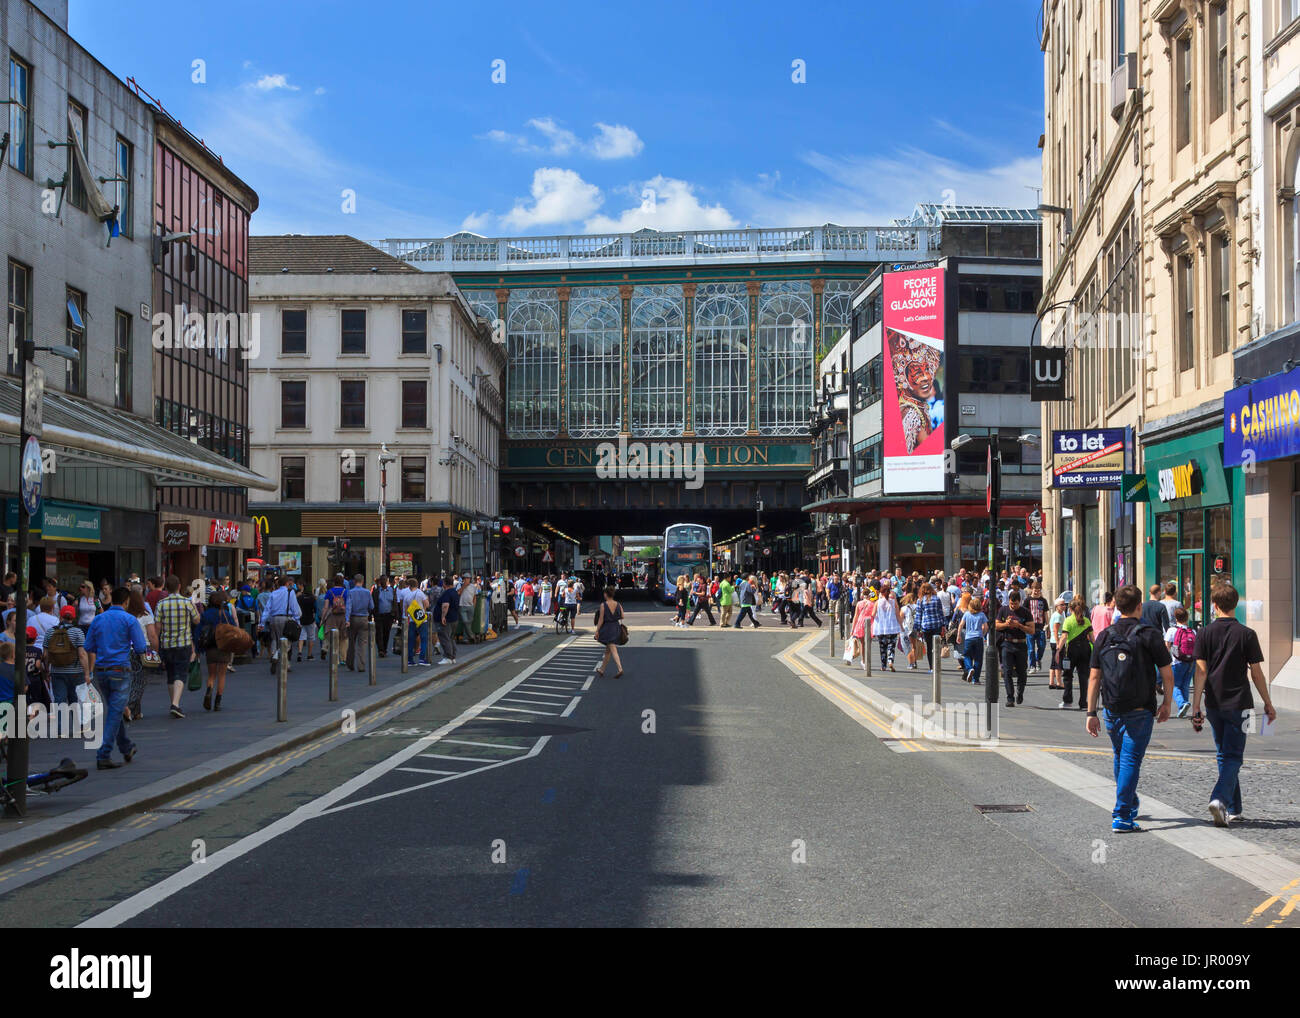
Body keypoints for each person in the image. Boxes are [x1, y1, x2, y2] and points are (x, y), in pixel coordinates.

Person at [1084, 584, 1175, 833]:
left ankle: (1130, 801)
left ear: (1116, 606)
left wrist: (1091, 713)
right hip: (1140, 708)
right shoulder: (1149, 634)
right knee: (1130, 760)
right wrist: (1167, 703)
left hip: (1111, 707)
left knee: (1120, 756)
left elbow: (1094, 678)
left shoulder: (1105, 635)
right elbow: (1167, 674)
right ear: (1139, 607)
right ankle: (1122, 815)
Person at [1191, 584, 1277, 827]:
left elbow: (1201, 673)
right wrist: (1268, 704)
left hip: (1215, 704)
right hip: (1243, 705)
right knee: (1234, 756)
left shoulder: (1205, 633)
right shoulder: (1247, 634)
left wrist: (1196, 706)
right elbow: (1257, 674)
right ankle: (1219, 799)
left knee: (1224, 754)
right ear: (1235, 604)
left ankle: (1234, 807)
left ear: (1215, 606)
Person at [84, 586, 147, 769]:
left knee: (115, 710)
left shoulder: (98, 619)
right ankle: (103, 754)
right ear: (126, 602)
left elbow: (89, 646)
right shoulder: (129, 619)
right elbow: (141, 647)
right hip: (120, 669)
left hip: (102, 671)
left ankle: (126, 747)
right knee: (114, 712)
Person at [200, 590, 237, 711]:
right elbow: (233, 628)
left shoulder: (206, 614)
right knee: (222, 675)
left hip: (210, 646)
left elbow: (199, 630)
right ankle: (217, 702)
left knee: (211, 674)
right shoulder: (226, 613)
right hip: (224, 646)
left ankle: (209, 690)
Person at [995, 589, 1034, 707]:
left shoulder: (1025, 612)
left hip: (1021, 644)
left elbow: (1031, 630)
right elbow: (996, 625)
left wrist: (1019, 625)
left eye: (1015, 604)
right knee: (1007, 672)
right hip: (1007, 643)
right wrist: (1006, 624)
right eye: (1011, 603)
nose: (1013, 606)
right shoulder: (1003, 610)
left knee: (1022, 672)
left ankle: (1020, 692)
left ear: (1020, 602)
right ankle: (1010, 697)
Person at [125, 589, 158, 723]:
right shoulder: (145, 616)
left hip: (126, 650)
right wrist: (155, 650)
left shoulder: (125, 616)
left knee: (131, 679)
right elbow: (152, 635)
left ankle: (136, 711)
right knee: (140, 681)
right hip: (141, 649)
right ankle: (128, 707)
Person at [260, 574, 302, 674]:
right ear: (287, 583)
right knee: (286, 643)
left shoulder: (273, 593)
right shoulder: (290, 592)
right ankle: (276, 656)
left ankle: (284, 663)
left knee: (275, 639)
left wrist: (262, 622)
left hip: (273, 619)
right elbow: (294, 607)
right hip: (285, 619)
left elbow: (267, 609)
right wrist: (298, 619)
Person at [1058, 596, 1093, 710]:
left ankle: (1067, 700)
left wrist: (1058, 650)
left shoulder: (1068, 620)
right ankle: (1083, 702)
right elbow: (1092, 638)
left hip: (1071, 650)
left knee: (1068, 676)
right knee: (1083, 677)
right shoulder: (1087, 621)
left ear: (1070, 609)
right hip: (1085, 650)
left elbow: (1064, 637)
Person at [1164, 605, 1197, 718]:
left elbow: (1167, 646)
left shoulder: (1172, 630)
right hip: (1191, 663)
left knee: (1174, 685)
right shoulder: (1192, 631)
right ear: (1187, 618)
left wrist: (1165, 661)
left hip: (1176, 662)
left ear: (1175, 618)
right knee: (1185, 685)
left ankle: (1183, 703)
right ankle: (1183, 707)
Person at [593, 586, 625, 679]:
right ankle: (602, 669)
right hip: (615, 627)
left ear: (606, 594)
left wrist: (597, 630)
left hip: (607, 628)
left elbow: (601, 619)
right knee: (608, 651)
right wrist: (615, 617)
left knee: (613, 649)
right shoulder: (618, 604)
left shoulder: (603, 605)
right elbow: (622, 616)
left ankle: (620, 668)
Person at [343, 573, 373, 672]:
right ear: (362, 581)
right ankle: (361, 665)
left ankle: (350, 663)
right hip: (364, 618)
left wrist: (347, 620)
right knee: (362, 643)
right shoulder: (367, 592)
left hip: (353, 618)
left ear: (354, 582)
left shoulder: (350, 592)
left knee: (351, 642)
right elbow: (371, 606)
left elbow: (348, 607)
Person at [957, 595, 989, 684]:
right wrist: (983, 634)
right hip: (978, 638)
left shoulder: (967, 614)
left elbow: (961, 625)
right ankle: (976, 679)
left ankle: (970, 668)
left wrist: (958, 635)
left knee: (967, 656)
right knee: (978, 659)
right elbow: (986, 626)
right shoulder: (982, 615)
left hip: (969, 638)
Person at [872, 581, 902, 672]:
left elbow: (873, 614)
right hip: (892, 627)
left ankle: (883, 666)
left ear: (881, 593)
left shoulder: (878, 602)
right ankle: (890, 660)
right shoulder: (893, 602)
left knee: (882, 647)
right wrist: (901, 626)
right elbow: (898, 615)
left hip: (881, 627)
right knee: (891, 646)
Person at [404, 578, 431, 666]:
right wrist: (424, 608)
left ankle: (410, 660)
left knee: (411, 640)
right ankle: (422, 659)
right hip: (421, 619)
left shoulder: (407, 596)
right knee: (423, 638)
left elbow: (405, 610)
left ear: (409, 586)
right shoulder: (420, 593)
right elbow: (427, 604)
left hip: (412, 620)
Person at [1025, 583, 1049, 674]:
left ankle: (1038, 659)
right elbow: (1024, 613)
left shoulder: (1043, 601)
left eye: (1038, 590)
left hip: (1040, 627)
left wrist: (1048, 625)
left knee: (1042, 646)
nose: (1036, 591)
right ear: (1032, 589)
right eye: (1035, 589)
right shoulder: (1027, 600)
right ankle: (1032, 666)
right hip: (1030, 627)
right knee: (1031, 649)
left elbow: (1045, 613)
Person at [434, 576, 459, 665]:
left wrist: (443, 616)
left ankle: (448, 657)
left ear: (445, 583)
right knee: (451, 638)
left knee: (444, 638)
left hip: (447, 620)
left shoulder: (447, 593)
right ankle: (452, 657)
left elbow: (445, 605)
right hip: (454, 618)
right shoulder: (454, 592)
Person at [372, 575, 395, 659]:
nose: (383, 582)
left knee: (386, 633)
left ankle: (384, 649)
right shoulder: (376, 591)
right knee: (379, 633)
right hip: (379, 615)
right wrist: (372, 614)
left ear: (387, 581)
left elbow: (394, 602)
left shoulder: (391, 590)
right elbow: (373, 604)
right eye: (382, 580)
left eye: (385, 580)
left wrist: (395, 614)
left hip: (388, 615)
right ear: (380, 581)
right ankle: (380, 650)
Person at [1048, 595, 1067, 691]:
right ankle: (1059, 683)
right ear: (1057, 606)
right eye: (1062, 605)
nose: (1064, 606)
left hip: (1053, 641)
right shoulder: (1058, 616)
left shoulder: (1056, 614)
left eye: (1064, 604)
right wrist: (1058, 643)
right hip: (1057, 640)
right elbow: (1055, 630)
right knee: (1058, 662)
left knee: (1053, 662)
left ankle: (1051, 682)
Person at [297, 581, 317, 661]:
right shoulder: (313, 598)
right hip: (310, 620)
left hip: (301, 619)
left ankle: (300, 652)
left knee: (301, 637)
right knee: (311, 637)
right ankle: (309, 654)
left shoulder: (300, 598)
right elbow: (315, 609)